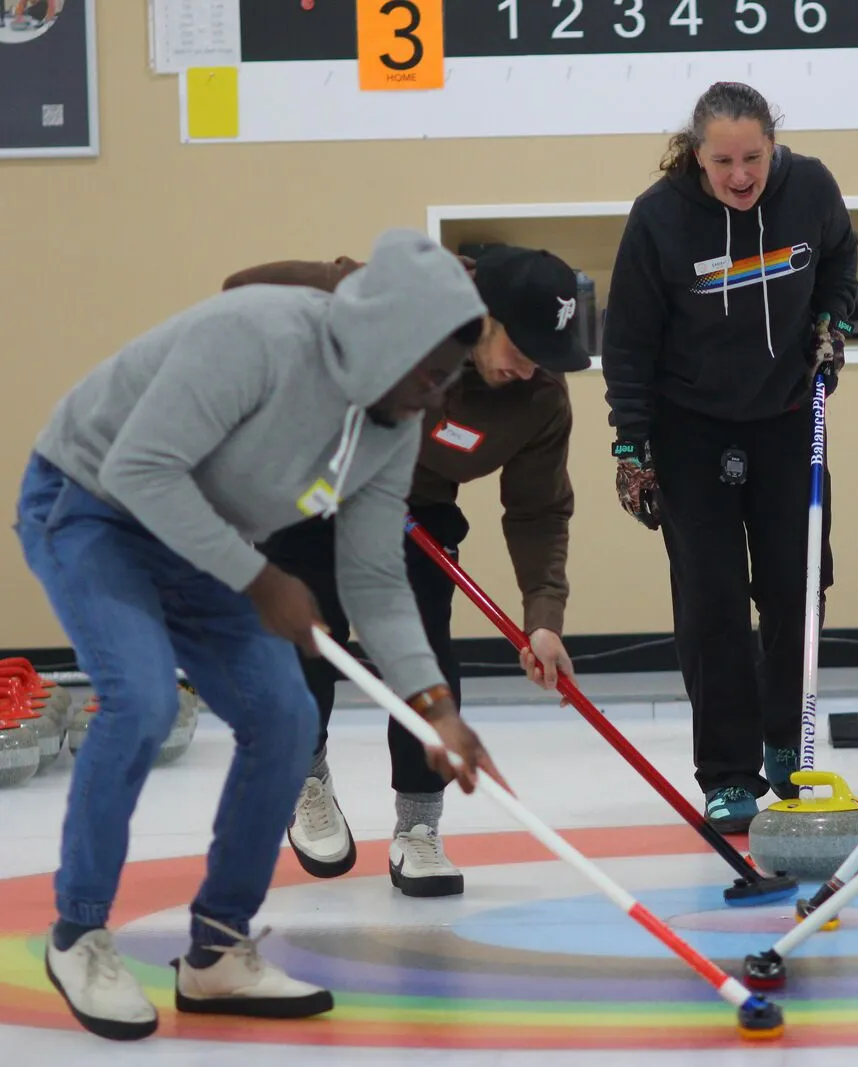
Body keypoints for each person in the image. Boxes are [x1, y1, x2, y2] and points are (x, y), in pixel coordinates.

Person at [14, 229, 501, 1040]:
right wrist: (261, 578)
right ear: (384, 337)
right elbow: (141, 470)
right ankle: (79, 934)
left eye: (452, 375)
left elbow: (375, 579)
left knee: (284, 718)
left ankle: (217, 949)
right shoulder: (258, 336)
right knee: (137, 701)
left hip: (206, 535)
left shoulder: (392, 424)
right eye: (431, 371)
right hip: (92, 505)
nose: (437, 395)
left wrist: (434, 706)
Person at [226, 243, 586, 897]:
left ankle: (418, 829)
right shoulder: (404, 306)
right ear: (483, 315)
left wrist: (542, 619)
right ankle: (305, 774)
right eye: (521, 346)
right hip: (318, 481)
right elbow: (245, 284)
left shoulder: (538, 401)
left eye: (546, 354)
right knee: (310, 631)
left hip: (415, 509)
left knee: (423, 653)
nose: (530, 367)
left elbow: (537, 512)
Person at [600, 81, 858, 832]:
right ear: (696, 153)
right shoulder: (659, 217)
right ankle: (729, 772)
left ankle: (785, 742)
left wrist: (832, 320)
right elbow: (629, 344)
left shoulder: (809, 186)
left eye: (754, 158)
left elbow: (840, 256)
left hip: (784, 413)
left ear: (773, 147)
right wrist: (631, 443)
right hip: (691, 428)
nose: (741, 176)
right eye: (723, 161)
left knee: (795, 584)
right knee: (712, 599)